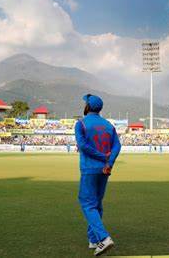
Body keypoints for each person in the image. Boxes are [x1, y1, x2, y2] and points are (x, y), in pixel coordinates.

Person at [75, 94, 121, 256]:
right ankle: (93, 239)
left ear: (87, 106)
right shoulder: (109, 125)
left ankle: (103, 238)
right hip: (104, 170)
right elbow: (117, 146)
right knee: (97, 203)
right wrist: (109, 162)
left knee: (87, 203)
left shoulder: (80, 123)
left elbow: (83, 146)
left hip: (89, 168)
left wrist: (103, 157)